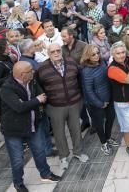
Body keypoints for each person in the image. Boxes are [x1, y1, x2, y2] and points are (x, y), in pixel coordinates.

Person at [0, 61, 62, 192]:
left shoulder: (32, 81)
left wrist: (31, 102)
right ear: (22, 75)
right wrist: (36, 101)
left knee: (39, 151)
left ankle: (45, 174)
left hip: (34, 124)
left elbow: (43, 96)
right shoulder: (7, 88)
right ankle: (18, 183)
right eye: (30, 71)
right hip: (14, 129)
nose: (33, 72)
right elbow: (19, 107)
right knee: (17, 159)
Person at [36, 42, 87, 170]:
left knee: (76, 130)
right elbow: (38, 87)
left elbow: (80, 80)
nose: (56, 53)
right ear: (48, 54)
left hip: (74, 103)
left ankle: (78, 152)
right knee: (59, 133)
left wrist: (81, 98)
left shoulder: (71, 62)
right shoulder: (42, 68)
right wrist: (45, 103)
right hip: (55, 106)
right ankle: (63, 156)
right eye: (53, 52)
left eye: (58, 50)